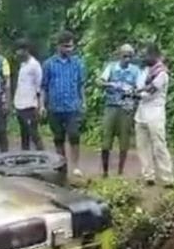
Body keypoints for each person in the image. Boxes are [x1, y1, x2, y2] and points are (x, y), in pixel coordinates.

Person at [41, 30, 86, 177]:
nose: (68, 49)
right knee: (58, 138)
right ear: (59, 46)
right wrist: (42, 105)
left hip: (72, 106)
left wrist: (83, 102)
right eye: (66, 46)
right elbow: (44, 87)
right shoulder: (49, 64)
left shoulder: (77, 63)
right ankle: (62, 166)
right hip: (55, 106)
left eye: (71, 46)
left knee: (74, 135)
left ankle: (76, 166)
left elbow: (81, 85)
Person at [97, 44, 142, 177]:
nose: (127, 59)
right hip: (111, 106)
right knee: (106, 138)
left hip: (126, 108)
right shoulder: (111, 67)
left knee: (124, 140)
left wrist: (131, 92)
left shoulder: (135, 70)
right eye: (125, 56)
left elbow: (139, 88)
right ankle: (105, 171)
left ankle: (120, 171)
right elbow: (99, 82)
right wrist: (111, 84)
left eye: (130, 56)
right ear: (119, 56)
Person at [134, 43, 174, 186]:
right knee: (142, 146)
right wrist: (136, 93)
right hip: (141, 112)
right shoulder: (144, 71)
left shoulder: (161, 73)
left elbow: (150, 90)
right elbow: (138, 88)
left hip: (155, 112)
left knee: (159, 146)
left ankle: (167, 178)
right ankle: (148, 176)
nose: (143, 57)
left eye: (145, 55)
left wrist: (135, 94)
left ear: (154, 55)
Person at [13, 38, 44, 151]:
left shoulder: (34, 65)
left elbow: (39, 86)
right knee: (24, 134)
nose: (17, 53)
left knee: (33, 134)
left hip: (30, 104)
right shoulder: (21, 65)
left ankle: (42, 156)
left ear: (26, 50)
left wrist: (40, 105)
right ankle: (25, 158)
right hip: (20, 103)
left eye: (19, 50)